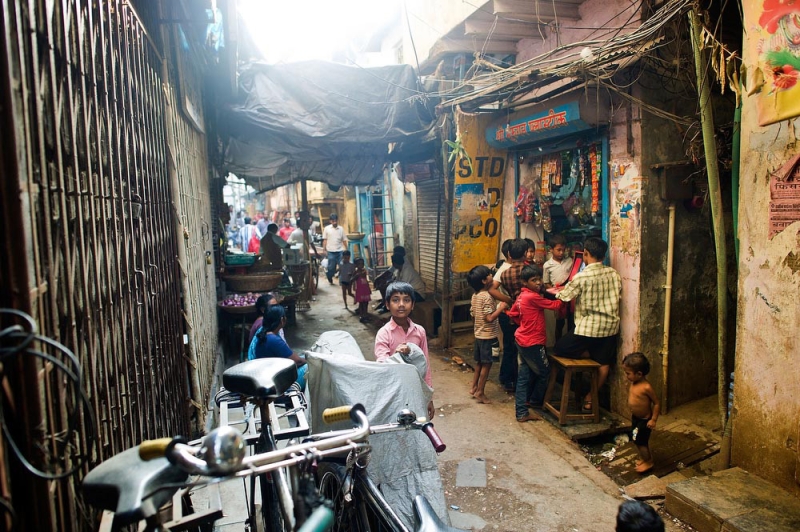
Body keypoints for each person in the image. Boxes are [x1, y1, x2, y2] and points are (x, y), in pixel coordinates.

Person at [554, 237, 622, 413]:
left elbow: (564, 297)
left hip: (588, 328)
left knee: (560, 348)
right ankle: (590, 398)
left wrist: (557, 291)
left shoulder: (581, 277)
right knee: (603, 364)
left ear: (585, 253)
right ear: (603, 255)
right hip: (609, 328)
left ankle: (589, 355)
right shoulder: (614, 274)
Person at [507, 265, 565, 422]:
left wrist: (524, 323)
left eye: (540, 279)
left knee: (524, 376)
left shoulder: (521, 296)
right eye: (534, 280)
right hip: (533, 342)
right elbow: (555, 305)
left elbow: (512, 314)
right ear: (525, 282)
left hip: (522, 339)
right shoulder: (532, 297)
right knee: (545, 372)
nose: (539, 283)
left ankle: (522, 411)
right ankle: (535, 401)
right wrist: (563, 294)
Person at [374, 282, 435, 420]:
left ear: (412, 305)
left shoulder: (419, 331)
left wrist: (428, 397)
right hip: (392, 391)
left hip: (415, 390)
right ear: (387, 305)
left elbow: (425, 366)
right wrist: (396, 354)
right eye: (395, 300)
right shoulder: (384, 333)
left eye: (406, 300)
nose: (401, 304)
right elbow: (381, 365)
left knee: (417, 424)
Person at [467, 265, 507, 404]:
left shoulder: (475, 296)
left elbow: (473, 315)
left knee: (479, 363)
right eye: (489, 274)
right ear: (484, 281)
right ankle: (480, 392)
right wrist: (501, 308)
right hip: (489, 336)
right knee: (487, 364)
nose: (492, 276)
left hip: (479, 334)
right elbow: (489, 318)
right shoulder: (487, 297)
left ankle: (473, 388)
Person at [496, 239, 529, 393]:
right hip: (517, 313)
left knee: (510, 347)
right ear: (525, 253)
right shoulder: (524, 270)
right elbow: (492, 288)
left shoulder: (506, 272)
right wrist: (508, 300)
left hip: (509, 312)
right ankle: (512, 380)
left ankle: (508, 379)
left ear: (509, 254)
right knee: (516, 348)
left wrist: (509, 300)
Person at [248, 305, 307, 389]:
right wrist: (310, 361)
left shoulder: (263, 334)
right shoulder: (273, 340)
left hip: (267, 376)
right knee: (312, 366)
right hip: (276, 383)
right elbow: (298, 361)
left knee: (304, 357)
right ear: (282, 320)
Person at [623, 352, 660, 474]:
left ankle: (649, 461)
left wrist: (653, 419)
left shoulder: (646, 387)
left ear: (639, 374)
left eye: (628, 373)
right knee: (636, 439)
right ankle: (644, 459)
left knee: (641, 442)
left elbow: (656, 403)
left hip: (644, 420)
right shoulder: (634, 382)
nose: (626, 376)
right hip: (636, 418)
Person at [543, 233, 575, 340]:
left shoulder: (570, 261)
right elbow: (546, 283)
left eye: (563, 250)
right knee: (560, 322)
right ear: (551, 249)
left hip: (570, 296)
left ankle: (569, 343)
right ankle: (558, 344)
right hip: (558, 297)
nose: (561, 252)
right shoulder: (547, 265)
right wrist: (554, 291)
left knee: (571, 321)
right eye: (558, 250)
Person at [375, 246, 406, 313]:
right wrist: (379, 278)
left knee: (387, 288)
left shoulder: (402, 262)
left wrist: (390, 283)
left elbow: (402, 281)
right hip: (397, 279)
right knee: (382, 283)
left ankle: (387, 306)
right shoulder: (398, 261)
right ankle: (384, 301)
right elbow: (390, 270)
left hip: (405, 284)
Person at [322, 213, 347, 284]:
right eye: (333, 221)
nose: (334, 222)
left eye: (335, 220)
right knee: (331, 268)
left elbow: (344, 240)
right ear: (330, 221)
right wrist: (324, 249)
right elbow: (325, 240)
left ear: (337, 220)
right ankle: (329, 276)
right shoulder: (327, 229)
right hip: (331, 251)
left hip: (340, 251)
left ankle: (341, 281)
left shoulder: (341, 229)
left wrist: (346, 249)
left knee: (342, 266)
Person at [353, 258, 371, 322]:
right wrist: (356, 276)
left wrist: (369, 289)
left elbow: (366, 280)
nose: (361, 265)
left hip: (365, 289)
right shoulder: (356, 272)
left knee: (366, 303)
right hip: (360, 290)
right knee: (361, 303)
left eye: (362, 264)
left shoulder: (364, 271)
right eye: (359, 264)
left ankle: (365, 314)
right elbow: (352, 280)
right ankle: (361, 315)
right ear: (356, 265)